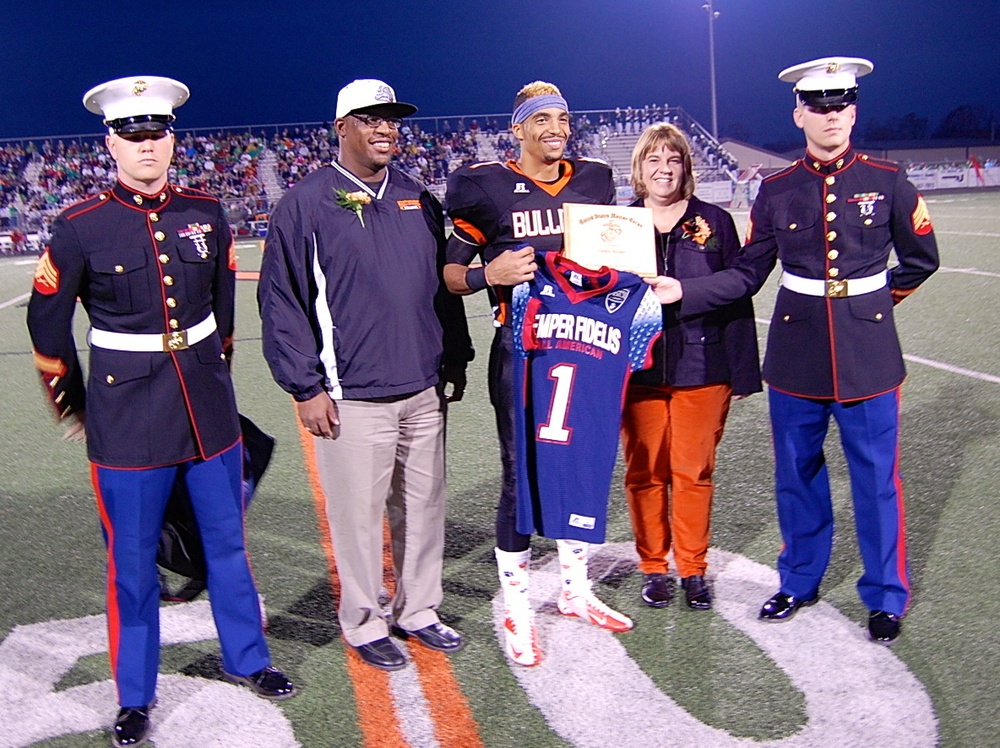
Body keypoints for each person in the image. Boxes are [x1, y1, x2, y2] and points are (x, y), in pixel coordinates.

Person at [26, 76, 294, 748]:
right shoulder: (80, 227)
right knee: (132, 565)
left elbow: (223, 317)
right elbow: (48, 329)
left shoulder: (206, 212)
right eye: (134, 134)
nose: (148, 145)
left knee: (228, 548)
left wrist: (214, 379)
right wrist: (78, 408)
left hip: (206, 409)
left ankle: (250, 660)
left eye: (159, 132)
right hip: (124, 417)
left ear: (173, 138)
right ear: (111, 142)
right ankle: (135, 696)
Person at [648, 57, 939, 645]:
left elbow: (921, 260)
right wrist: (686, 290)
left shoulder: (888, 180)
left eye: (842, 105)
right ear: (799, 113)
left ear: (854, 111)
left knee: (877, 481)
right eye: (820, 107)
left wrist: (870, 307)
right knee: (797, 477)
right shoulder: (776, 190)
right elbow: (750, 272)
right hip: (795, 353)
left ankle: (885, 596)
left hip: (869, 354)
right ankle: (799, 579)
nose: (833, 116)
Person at [258, 79, 473, 672]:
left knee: (425, 508)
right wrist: (305, 386)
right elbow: (282, 303)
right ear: (342, 127)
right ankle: (361, 621)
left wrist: (453, 357)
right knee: (357, 518)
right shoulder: (304, 203)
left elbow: (440, 291)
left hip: (423, 387)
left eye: (392, 119)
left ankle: (419, 610)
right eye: (369, 118)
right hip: (351, 395)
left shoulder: (416, 196)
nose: (385, 129)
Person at [444, 81, 629, 668]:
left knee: (579, 468)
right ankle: (517, 605)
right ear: (518, 128)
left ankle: (576, 591)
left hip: (589, 346)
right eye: (541, 119)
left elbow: (618, 256)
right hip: (522, 350)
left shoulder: (596, 178)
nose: (556, 127)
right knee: (519, 477)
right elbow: (448, 275)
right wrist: (487, 275)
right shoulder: (482, 186)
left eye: (563, 118)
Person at [621, 124, 761, 611]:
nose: (663, 169)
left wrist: (685, 292)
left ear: (686, 166)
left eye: (672, 159)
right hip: (638, 369)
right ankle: (654, 568)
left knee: (692, 472)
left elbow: (742, 281)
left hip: (704, 365)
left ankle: (693, 569)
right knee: (644, 472)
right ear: (639, 170)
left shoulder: (715, 221)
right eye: (653, 160)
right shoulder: (615, 224)